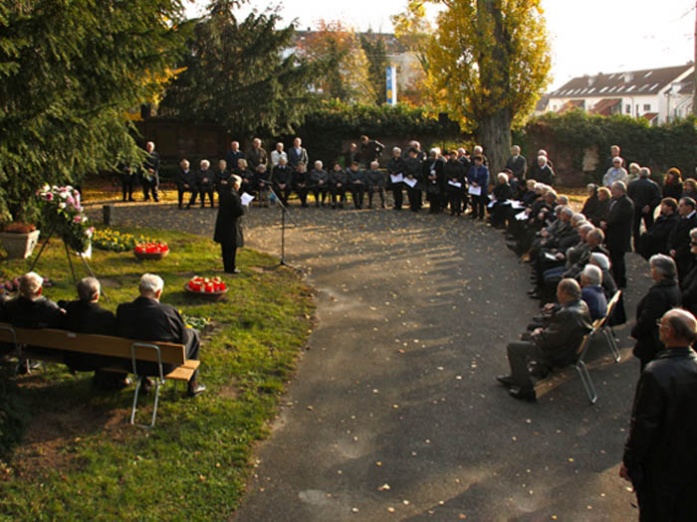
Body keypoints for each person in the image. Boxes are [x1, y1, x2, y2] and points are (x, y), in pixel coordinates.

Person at [620, 309, 697, 521]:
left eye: (660, 325)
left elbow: (644, 424)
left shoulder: (656, 373)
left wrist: (630, 461)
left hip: (661, 464)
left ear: (669, 332)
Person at [495, 278, 593, 401]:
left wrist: (537, 333)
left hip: (558, 353)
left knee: (513, 347)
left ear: (564, 292)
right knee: (526, 336)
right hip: (569, 347)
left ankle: (526, 389)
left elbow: (549, 340)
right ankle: (519, 375)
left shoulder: (568, 315)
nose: (557, 294)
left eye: (558, 291)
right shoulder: (581, 305)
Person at [116, 274, 205, 396]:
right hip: (163, 365)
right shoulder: (168, 312)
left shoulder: (123, 310)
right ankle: (192, 385)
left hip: (132, 363)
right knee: (193, 335)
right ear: (158, 293)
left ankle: (145, 381)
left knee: (140, 338)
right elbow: (183, 340)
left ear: (139, 290)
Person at [59, 277, 129, 389]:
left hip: (71, 357)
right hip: (96, 360)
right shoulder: (105, 316)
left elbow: (62, 304)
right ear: (96, 296)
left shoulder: (71, 309)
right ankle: (114, 381)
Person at [631, 254, 681, 370]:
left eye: (652, 268)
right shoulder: (674, 287)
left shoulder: (657, 294)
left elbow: (648, 318)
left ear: (660, 272)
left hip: (652, 344)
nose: (651, 271)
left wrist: (636, 331)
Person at [601, 181, 634, 288]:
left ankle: (620, 280)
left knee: (618, 259)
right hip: (611, 234)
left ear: (620, 190)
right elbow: (607, 213)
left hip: (619, 236)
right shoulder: (613, 201)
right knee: (613, 258)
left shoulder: (626, 203)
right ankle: (615, 279)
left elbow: (619, 218)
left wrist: (608, 223)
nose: (612, 191)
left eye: (614, 189)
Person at [214, 175, 245, 274]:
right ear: (236, 184)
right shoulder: (233, 195)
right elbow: (238, 211)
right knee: (231, 247)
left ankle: (227, 266)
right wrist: (244, 205)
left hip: (223, 222)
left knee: (225, 247)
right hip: (231, 224)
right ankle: (230, 268)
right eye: (239, 184)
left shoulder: (223, 192)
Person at [627, 167, 661, 248]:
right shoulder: (653, 185)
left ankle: (636, 245)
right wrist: (649, 205)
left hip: (636, 207)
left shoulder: (632, 184)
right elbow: (658, 198)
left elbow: (628, 196)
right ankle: (649, 245)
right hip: (648, 208)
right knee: (649, 226)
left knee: (635, 227)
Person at [668, 196, 697, 284]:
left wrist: (678, 251)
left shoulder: (694, 220)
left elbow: (689, 239)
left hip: (686, 256)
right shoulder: (681, 218)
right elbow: (672, 234)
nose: (678, 208)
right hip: (676, 253)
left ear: (688, 207)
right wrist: (670, 248)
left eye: (681, 206)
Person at [679, 227, 697, 317]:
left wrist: (679, 297)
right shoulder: (693, 260)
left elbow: (692, 291)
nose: (690, 245)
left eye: (694, 243)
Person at [467, 155, 489, 220]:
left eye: (478, 161)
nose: (477, 162)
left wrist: (478, 184)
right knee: (474, 201)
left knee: (481, 202)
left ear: (481, 161)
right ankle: (474, 214)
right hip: (473, 187)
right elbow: (469, 176)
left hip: (481, 188)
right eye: (476, 161)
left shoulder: (484, 169)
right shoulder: (472, 168)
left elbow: (485, 178)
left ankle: (481, 215)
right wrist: (471, 182)